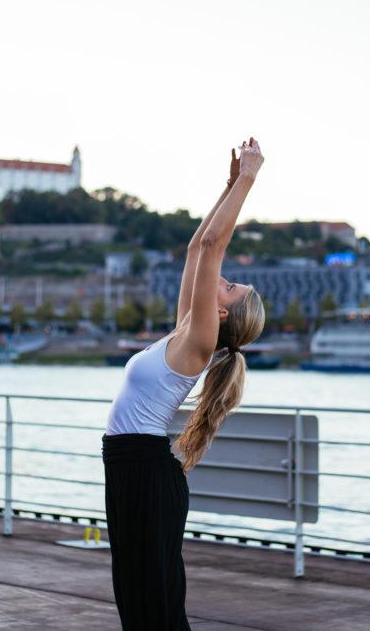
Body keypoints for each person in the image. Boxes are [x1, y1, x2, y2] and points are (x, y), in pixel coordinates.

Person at [103, 139, 267, 630]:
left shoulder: (200, 340)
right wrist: (228, 182)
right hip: (131, 469)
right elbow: (200, 248)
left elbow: (215, 247)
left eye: (230, 287)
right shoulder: (183, 332)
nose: (224, 279)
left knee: (156, 608)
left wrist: (250, 180)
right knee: (137, 602)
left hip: (147, 474)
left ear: (222, 315)